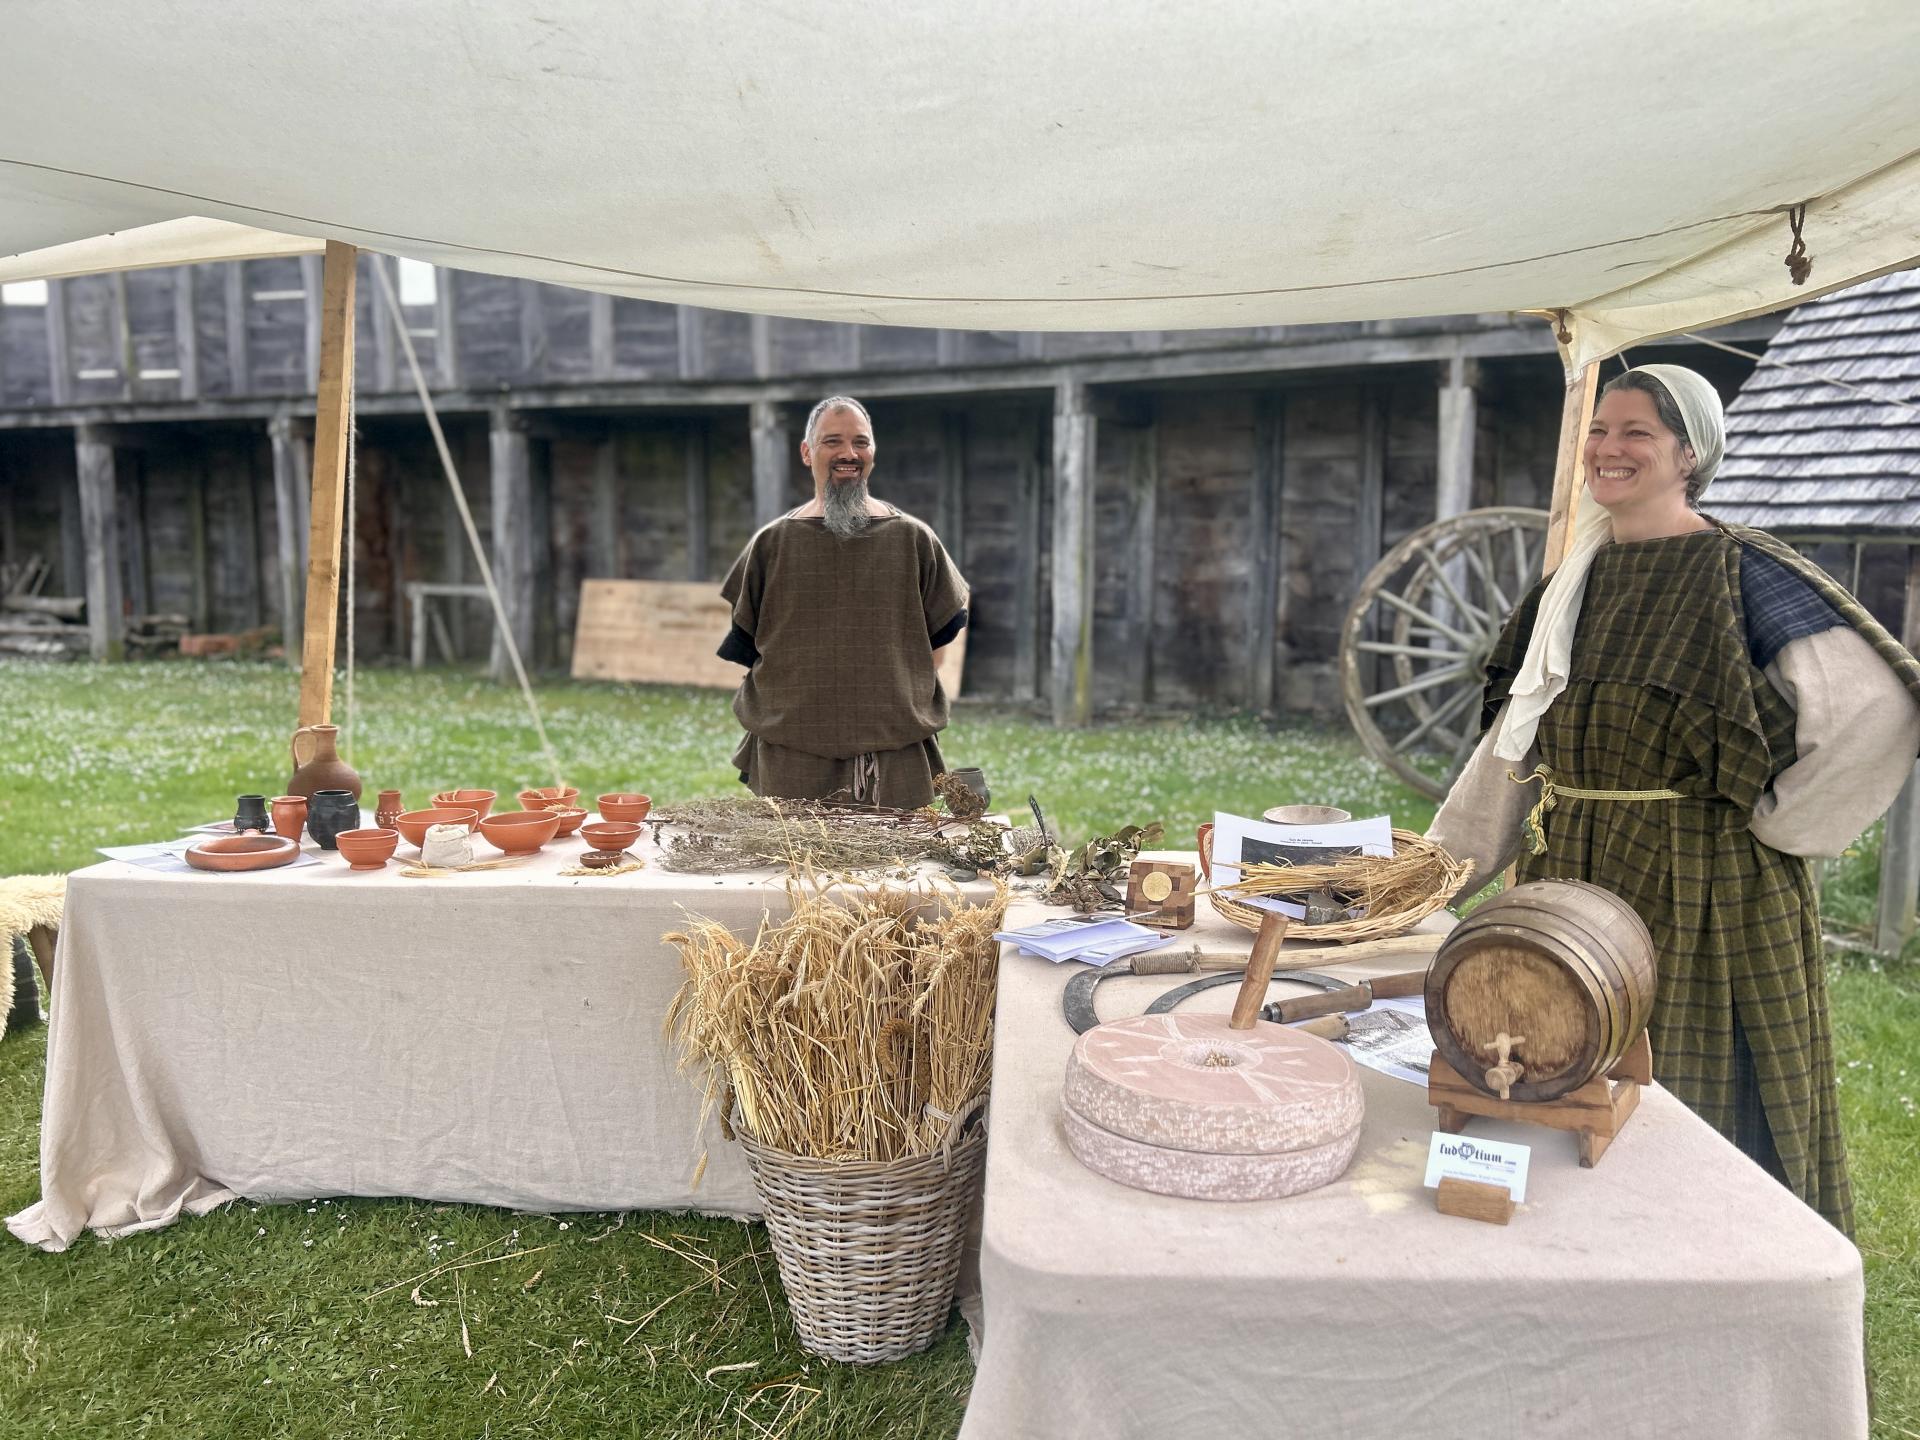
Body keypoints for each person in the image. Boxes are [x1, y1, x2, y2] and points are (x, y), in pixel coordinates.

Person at [1429, 363, 1920, 1233]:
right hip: (1573, 876)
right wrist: (1439, 873)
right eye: (1599, 430)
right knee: (1562, 1059)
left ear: (1690, 454)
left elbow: (1877, 707)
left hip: (1707, 883)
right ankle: (1583, 1253)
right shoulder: (1574, 581)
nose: (1608, 449)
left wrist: (1785, 824)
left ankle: (1710, 1253)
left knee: (1698, 1086)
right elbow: (1517, 737)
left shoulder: (1744, 575)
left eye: (1637, 433)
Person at [717, 395, 969, 809]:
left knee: (894, 852)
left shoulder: (914, 540)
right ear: (807, 452)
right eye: (832, 441)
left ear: (873, 452)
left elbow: (935, 652)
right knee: (793, 852)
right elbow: (753, 652)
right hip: (791, 758)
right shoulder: (771, 545)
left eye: (860, 442)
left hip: (892, 759)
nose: (848, 453)